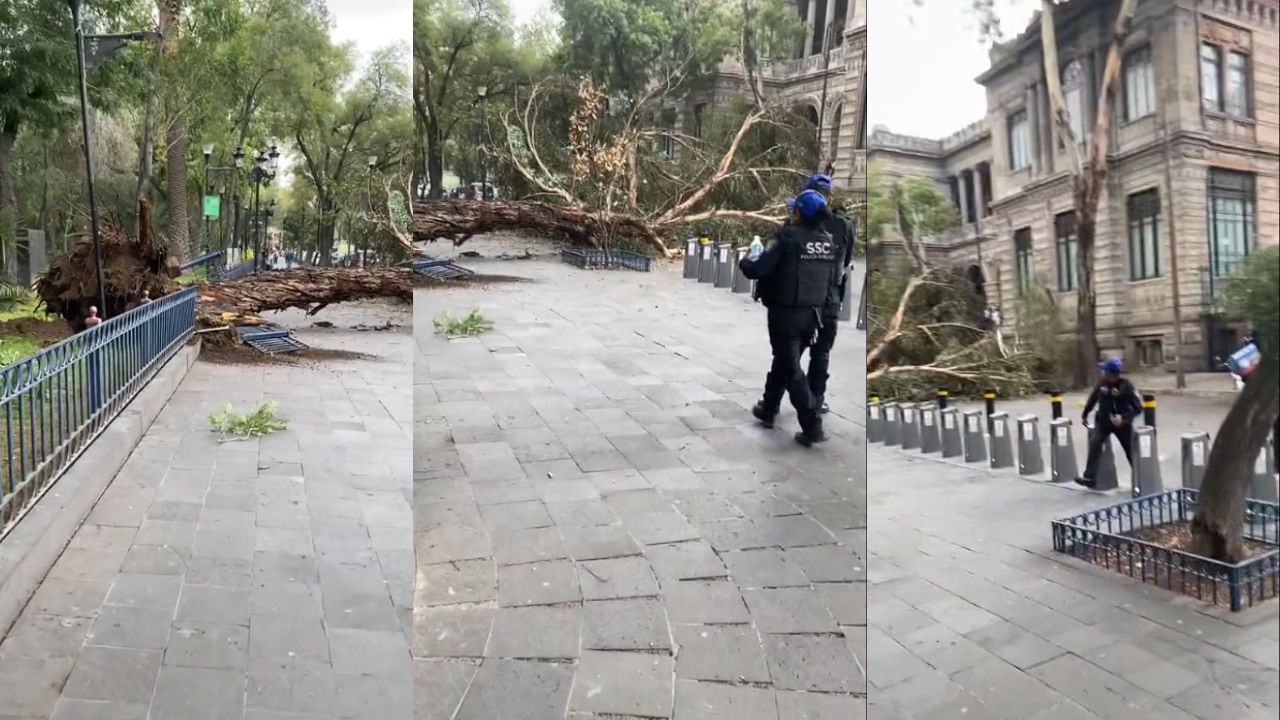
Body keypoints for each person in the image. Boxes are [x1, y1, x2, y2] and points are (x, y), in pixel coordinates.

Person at [739, 189, 840, 447]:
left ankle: (811, 425)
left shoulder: (786, 239)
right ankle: (769, 406)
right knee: (784, 362)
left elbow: (757, 269)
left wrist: (748, 258)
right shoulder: (828, 242)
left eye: (793, 209)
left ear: (797, 214)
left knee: (792, 369)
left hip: (786, 316)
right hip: (814, 316)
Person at [802, 173, 856, 414]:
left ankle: (773, 401)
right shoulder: (844, 225)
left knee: (790, 353)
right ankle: (816, 399)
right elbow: (846, 263)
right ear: (830, 197)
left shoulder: (797, 221)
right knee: (821, 353)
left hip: (800, 300)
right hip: (830, 300)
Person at [1075, 357, 1142, 488]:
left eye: (1104, 371)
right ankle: (1089, 478)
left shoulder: (1126, 386)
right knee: (1095, 443)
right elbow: (1093, 398)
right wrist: (1085, 414)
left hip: (1122, 425)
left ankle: (1141, 477)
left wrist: (1123, 417)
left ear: (1112, 374)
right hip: (1103, 422)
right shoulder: (1102, 384)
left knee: (1130, 451)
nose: (1102, 373)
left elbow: (1138, 407)